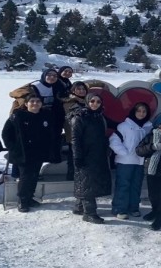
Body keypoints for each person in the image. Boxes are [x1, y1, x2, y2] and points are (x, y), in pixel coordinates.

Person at [2, 94, 60, 212]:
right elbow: (6, 134)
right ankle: (22, 200)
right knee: (25, 177)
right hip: (23, 153)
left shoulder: (46, 116)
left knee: (34, 176)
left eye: (38, 101)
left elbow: (51, 133)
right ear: (26, 104)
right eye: (32, 101)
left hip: (39, 152)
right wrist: (13, 147)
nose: (35, 103)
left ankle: (29, 198)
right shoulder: (17, 116)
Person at [70, 93, 112, 224]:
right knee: (87, 184)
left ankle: (79, 207)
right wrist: (77, 156)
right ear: (87, 102)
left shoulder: (99, 116)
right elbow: (75, 139)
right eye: (92, 101)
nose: (95, 104)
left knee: (86, 182)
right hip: (85, 155)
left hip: (97, 154)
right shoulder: (79, 117)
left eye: (98, 102)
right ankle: (89, 213)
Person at [109, 102, 153, 219]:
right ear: (134, 112)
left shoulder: (148, 127)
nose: (141, 113)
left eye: (144, 111)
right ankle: (119, 209)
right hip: (125, 162)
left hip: (140, 162)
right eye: (139, 111)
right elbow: (114, 140)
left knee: (136, 185)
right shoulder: (124, 126)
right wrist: (124, 153)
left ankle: (133, 208)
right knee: (123, 185)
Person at [61, 81, 89, 181]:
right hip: (74, 134)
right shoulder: (69, 103)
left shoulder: (89, 101)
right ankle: (72, 177)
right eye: (78, 89)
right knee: (73, 156)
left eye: (83, 89)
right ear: (73, 91)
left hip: (87, 135)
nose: (81, 91)